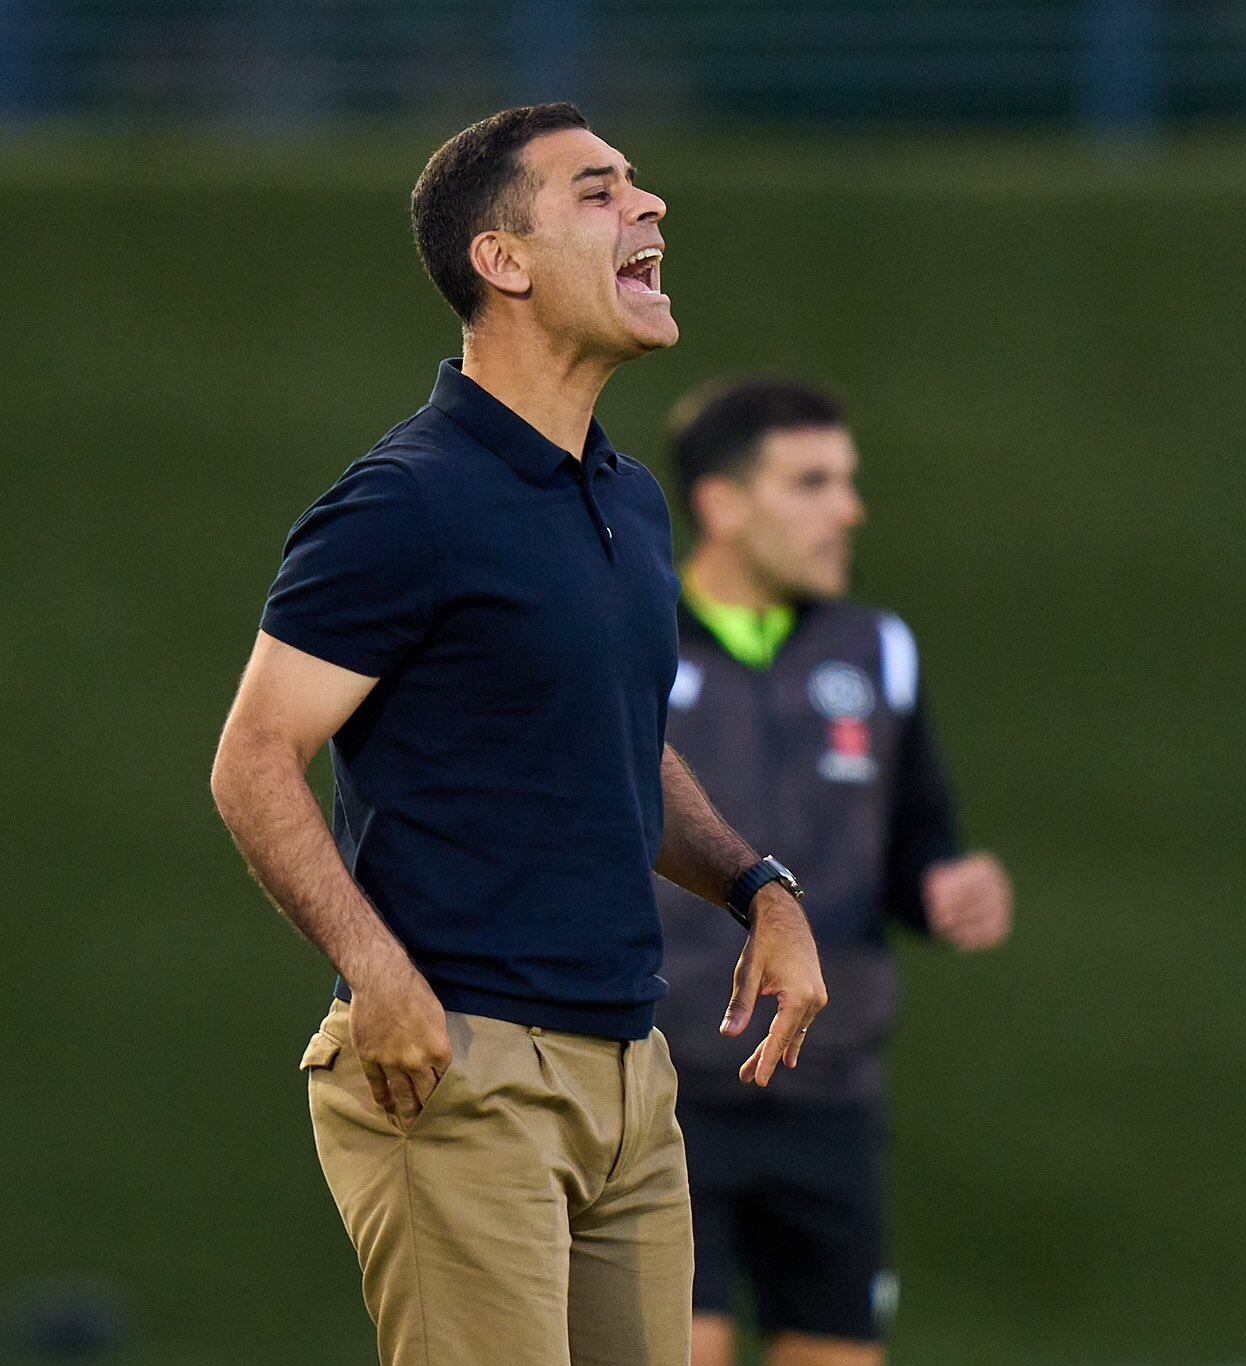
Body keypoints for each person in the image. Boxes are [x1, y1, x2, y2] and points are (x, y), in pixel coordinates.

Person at [208, 104, 829, 1366]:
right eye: (598, 192)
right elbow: (253, 757)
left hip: (629, 1080)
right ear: (502, 260)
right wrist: (378, 975)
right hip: (462, 1067)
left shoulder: (628, 500)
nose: (648, 206)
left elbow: (615, 741)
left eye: (636, 184)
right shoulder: (406, 500)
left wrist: (755, 886)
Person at [654, 379, 1014, 1366]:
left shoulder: (878, 651)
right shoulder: (631, 641)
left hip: (828, 1093)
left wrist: (946, 888)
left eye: (846, 481)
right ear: (723, 504)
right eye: (812, 483)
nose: (847, 510)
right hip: (663, 1091)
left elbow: (918, 842)